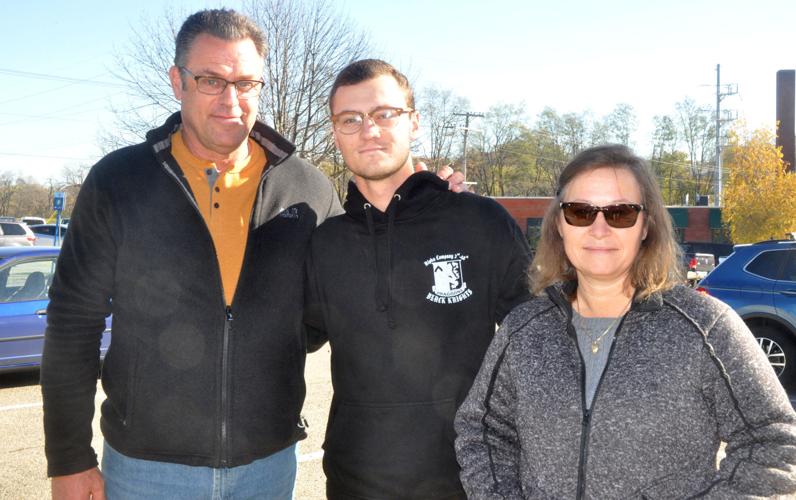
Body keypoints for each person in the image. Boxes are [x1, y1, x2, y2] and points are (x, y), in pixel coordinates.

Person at [40, 9, 345, 499]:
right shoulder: (119, 181)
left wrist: (422, 202)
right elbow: (74, 322)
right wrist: (70, 458)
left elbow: (344, 297)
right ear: (177, 81)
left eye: (246, 83)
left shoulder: (306, 187)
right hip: (145, 472)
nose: (231, 100)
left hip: (267, 469)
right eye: (210, 80)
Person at [454, 144, 796, 498]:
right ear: (559, 224)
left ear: (646, 226)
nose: (599, 228)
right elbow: (482, 431)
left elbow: (774, 442)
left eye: (620, 213)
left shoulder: (705, 328)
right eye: (580, 212)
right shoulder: (524, 330)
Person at [304, 59, 533, 499]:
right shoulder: (324, 243)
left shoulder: (480, 222)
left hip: (473, 483)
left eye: (384, 114)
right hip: (355, 484)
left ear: (414, 123)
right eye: (350, 119)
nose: (369, 130)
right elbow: (282, 338)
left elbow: (542, 339)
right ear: (335, 133)